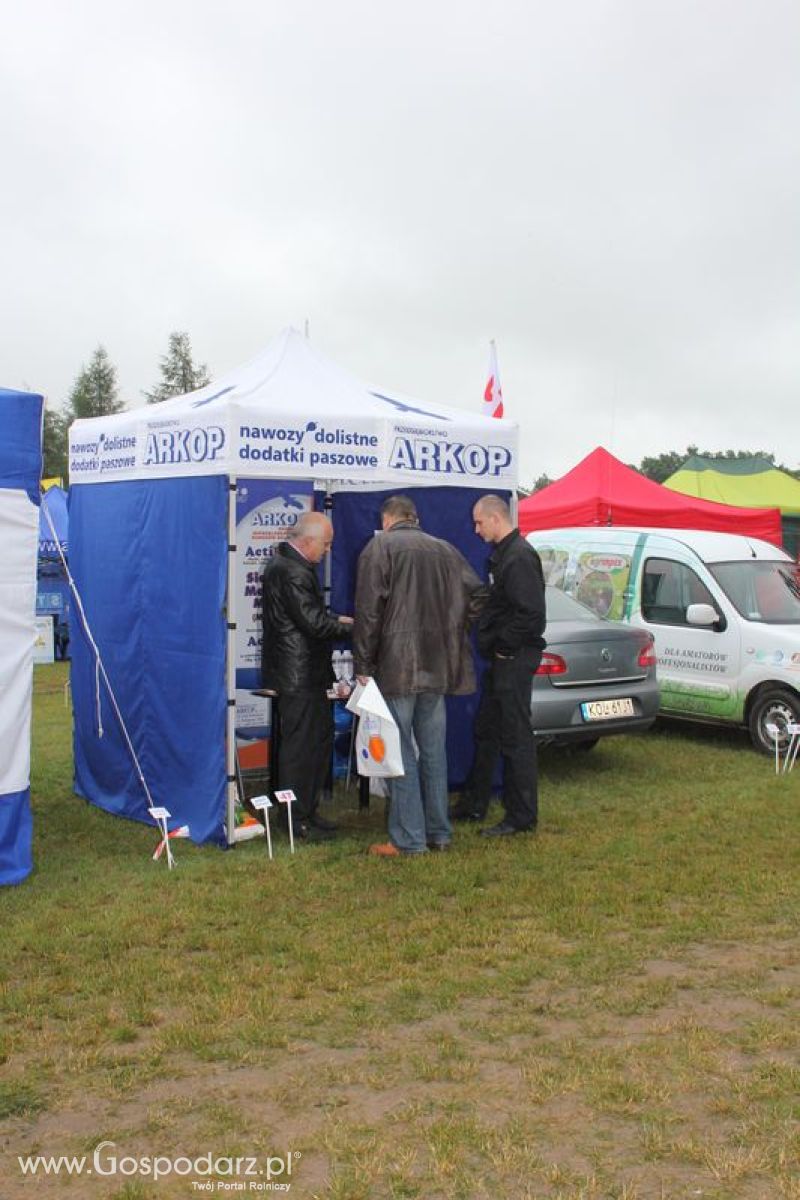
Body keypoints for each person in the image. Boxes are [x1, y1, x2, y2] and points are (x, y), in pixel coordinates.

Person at [353, 495, 487, 856]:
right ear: (415, 517)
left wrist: (363, 666)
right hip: (439, 665)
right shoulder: (446, 550)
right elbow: (478, 595)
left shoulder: (379, 548)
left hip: (395, 667)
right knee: (432, 751)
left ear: (387, 519)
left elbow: (368, 613)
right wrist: (453, 630)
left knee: (400, 753)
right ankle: (439, 834)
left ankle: (409, 840)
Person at [451, 494, 546, 836]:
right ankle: (474, 803)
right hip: (501, 658)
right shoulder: (504, 556)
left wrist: (505, 646)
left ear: (495, 518)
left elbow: (531, 615)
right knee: (487, 729)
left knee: (515, 736)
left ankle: (521, 817)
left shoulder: (518, 557)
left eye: (479, 523)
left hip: (514, 659)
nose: (476, 530)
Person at [261, 511, 353, 841]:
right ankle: (294, 818)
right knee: (301, 746)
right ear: (308, 541)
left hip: (304, 672)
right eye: (326, 544)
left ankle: (307, 811)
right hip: (297, 674)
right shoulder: (291, 571)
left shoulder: (289, 566)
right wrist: (349, 626)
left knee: (317, 741)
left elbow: (310, 615)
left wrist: (336, 618)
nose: (327, 551)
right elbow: (312, 623)